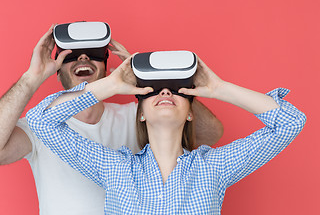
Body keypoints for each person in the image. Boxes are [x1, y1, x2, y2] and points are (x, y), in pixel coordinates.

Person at [26, 54, 306, 214]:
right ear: (142, 113)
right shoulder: (115, 169)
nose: (165, 92)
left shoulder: (213, 168)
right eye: (155, 89)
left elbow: (290, 122)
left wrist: (219, 88)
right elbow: (41, 121)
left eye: (175, 89)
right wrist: (109, 85)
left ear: (190, 113)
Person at [0, 25, 223, 215]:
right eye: (71, 54)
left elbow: (210, 134)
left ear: (107, 69)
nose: (83, 57)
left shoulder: (136, 116)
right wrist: (31, 77)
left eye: (94, 52)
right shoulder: (39, 128)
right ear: (58, 71)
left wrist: (151, 82)